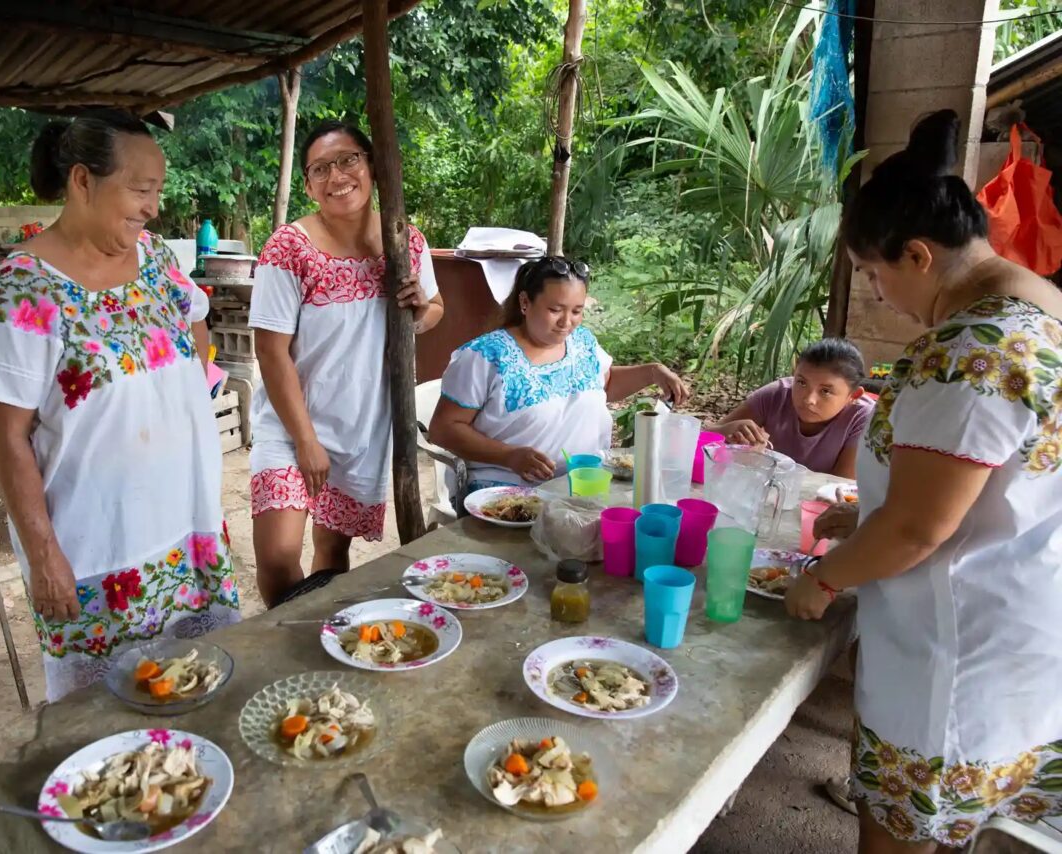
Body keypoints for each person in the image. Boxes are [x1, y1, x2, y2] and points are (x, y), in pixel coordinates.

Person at [785, 110, 1062, 853]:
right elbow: (985, 481)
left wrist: (826, 578)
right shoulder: (1043, 310)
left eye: (874, 275)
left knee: (905, 835)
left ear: (917, 255)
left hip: (955, 652)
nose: (878, 295)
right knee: (963, 828)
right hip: (1020, 620)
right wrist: (869, 513)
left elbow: (918, 529)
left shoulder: (968, 350)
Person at [0, 111, 240, 702]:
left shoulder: (159, 260)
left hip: (185, 528)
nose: (152, 207)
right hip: (95, 552)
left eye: (157, 192)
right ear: (82, 182)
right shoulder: (21, 293)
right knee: (108, 717)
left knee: (201, 691)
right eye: (140, 190)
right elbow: (5, 437)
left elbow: (194, 324)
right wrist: (44, 556)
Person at [249, 120, 445, 607]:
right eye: (320, 169)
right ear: (309, 184)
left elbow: (435, 309)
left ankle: (318, 645)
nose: (337, 176)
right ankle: (280, 641)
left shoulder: (406, 240)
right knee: (277, 556)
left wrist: (421, 311)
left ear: (371, 166)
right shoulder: (289, 248)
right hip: (293, 423)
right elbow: (270, 350)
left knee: (332, 550)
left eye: (347, 160)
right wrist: (306, 439)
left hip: (364, 423)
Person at [428, 256, 688, 492]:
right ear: (525, 302)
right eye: (555, 310)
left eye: (577, 311)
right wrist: (509, 456)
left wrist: (652, 372)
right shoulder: (485, 357)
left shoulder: (582, 342)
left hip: (585, 484)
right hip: (506, 492)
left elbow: (604, 385)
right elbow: (444, 429)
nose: (567, 322)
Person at [707, 338, 873, 478]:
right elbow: (702, 438)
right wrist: (725, 431)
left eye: (826, 391)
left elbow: (840, 486)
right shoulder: (776, 395)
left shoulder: (864, 419)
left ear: (853, 396)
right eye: (801, 382)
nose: (809, 399)